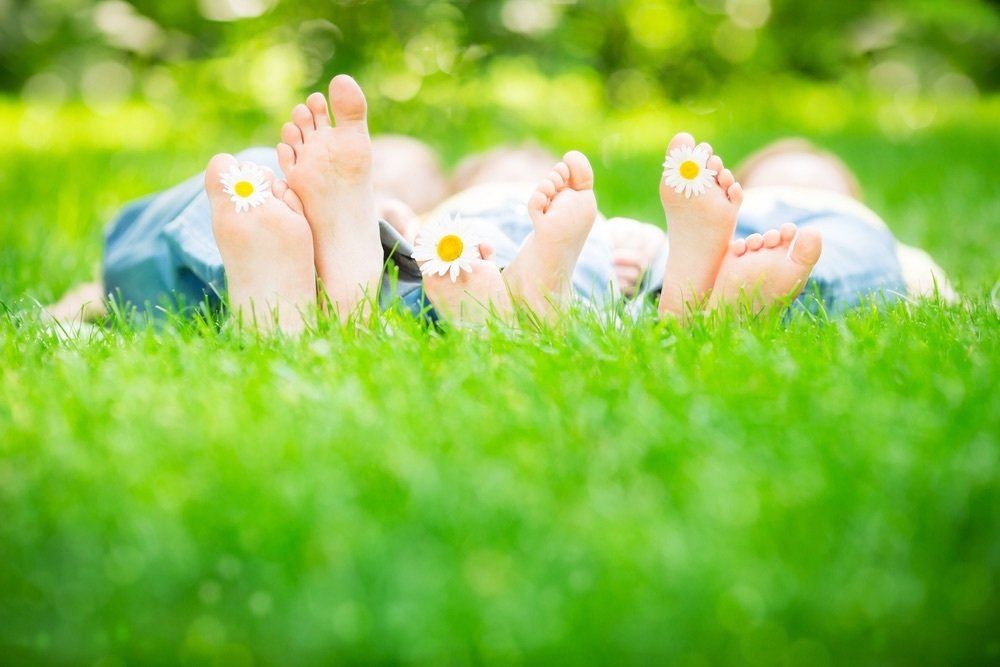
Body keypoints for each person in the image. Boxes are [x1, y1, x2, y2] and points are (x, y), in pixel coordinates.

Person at [44, 75, 951, 332]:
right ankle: (688, 311)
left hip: (443, 243)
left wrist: (80, 302)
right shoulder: (626, 232)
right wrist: (926, 275)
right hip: (630, 267)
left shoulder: (459, 197)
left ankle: (335, 270)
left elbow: (93, 294)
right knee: (818, 206)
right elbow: (916, 274)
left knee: (355, 179)